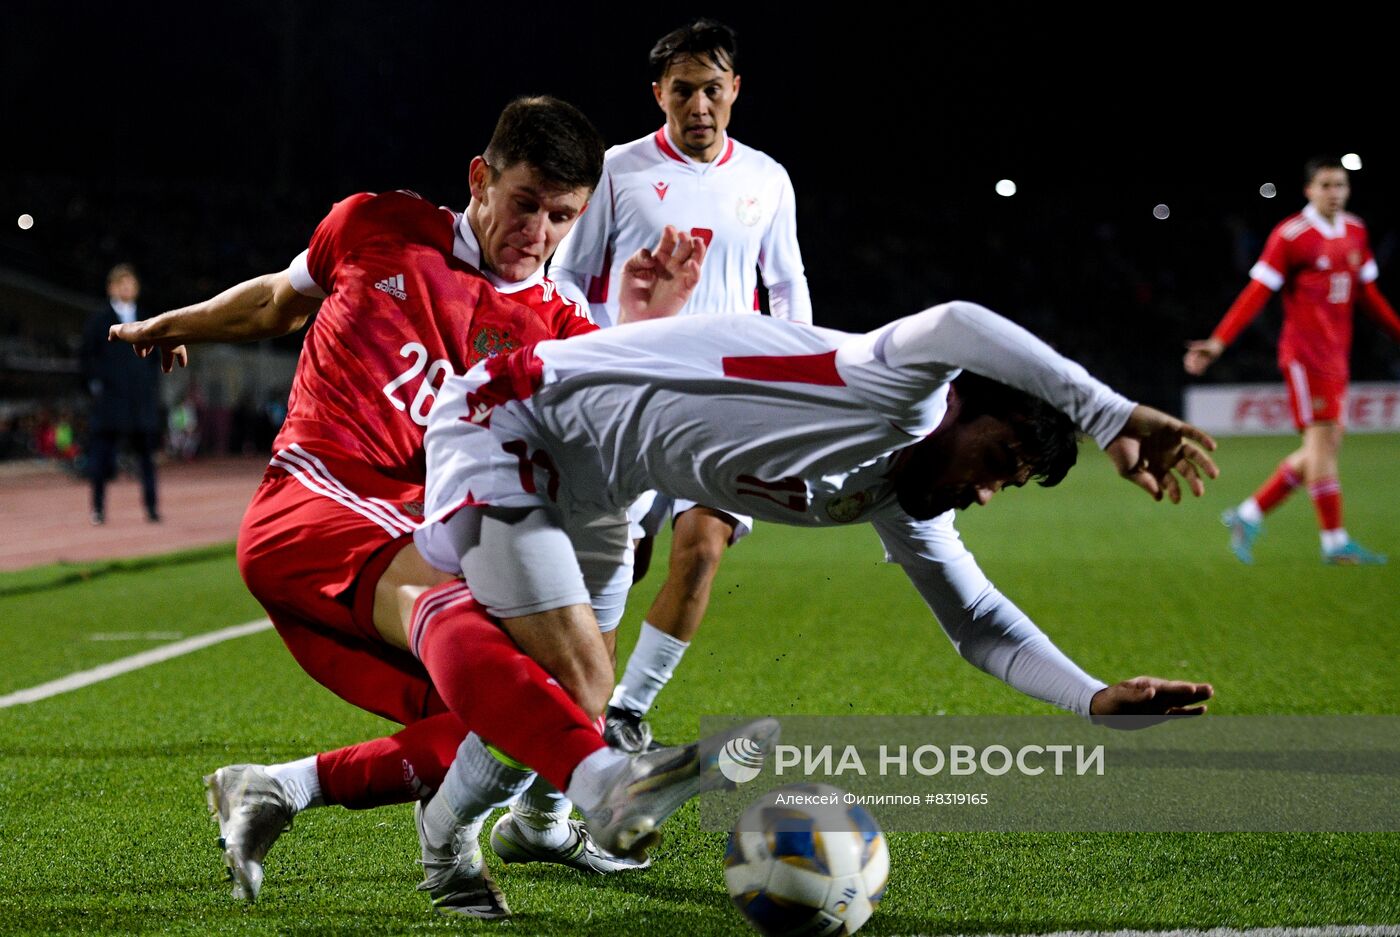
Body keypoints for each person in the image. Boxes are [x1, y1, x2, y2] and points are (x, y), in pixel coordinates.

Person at [110, 95, 720, 918]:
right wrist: (175, 322)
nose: (538, 231)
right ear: (481, 178)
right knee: (507, 653)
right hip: (315, 499)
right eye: (526, 203)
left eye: (563, 216)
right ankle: (601, 776)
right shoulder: (376, 224)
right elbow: (278, 301)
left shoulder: (564, 329)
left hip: (411, 539)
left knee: (524, 713)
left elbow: (621, 435)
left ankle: (277, 789)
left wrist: (646, 331)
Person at [411, 301, 1218, 847]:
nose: (982, 491)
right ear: (960, 405)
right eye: (996, 460)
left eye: (1001, 487)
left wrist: (1091, 695)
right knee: (576, 681)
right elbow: (958, 321)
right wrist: (1109, 411)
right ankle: (588, 789)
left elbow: (976, 621)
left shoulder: (908, 500)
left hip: (597, 486)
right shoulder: (894, 390)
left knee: (573, 699)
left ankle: (438, 827)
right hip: (507, 421)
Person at [550, 18, 812, 752]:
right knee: (619, 561)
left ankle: (627, 710)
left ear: (735, 90)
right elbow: (565, 272)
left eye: (712, 89)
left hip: (725, 404)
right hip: (633, 395)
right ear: (659, 94)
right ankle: (573, 706)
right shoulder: (619, 167)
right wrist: (600, 345)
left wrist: (793, 377)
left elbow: (787, 285)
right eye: (683, 91)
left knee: (703, 548)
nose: (699, 105)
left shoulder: (766, 179)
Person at [1185, 156, 1400, 565]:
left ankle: (1247, 515)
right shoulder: (1291, 235)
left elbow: (1368, 296)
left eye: (1341, 185)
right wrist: (1218, 342)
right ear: (1309, 190)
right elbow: (1257, 292)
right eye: (1326, 186)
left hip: (1338, 355)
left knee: (1324, 446)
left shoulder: (1356, 230)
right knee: (1321, 446)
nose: (1335, 193)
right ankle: (1334, 542)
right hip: (1304, 357)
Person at [80, 264, 165, 524]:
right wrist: (96, 386)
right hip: (111, 402)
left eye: (131, 283)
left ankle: (151, 507)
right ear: (112, 288)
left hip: (140, 401)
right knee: (101, 458)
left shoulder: (147, 319)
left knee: (146, 460)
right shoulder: (98, 321)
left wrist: (150, 386)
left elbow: (155, 359)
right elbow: (86, 357)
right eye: (122, 284)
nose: (127, 288)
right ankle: (97, 508)